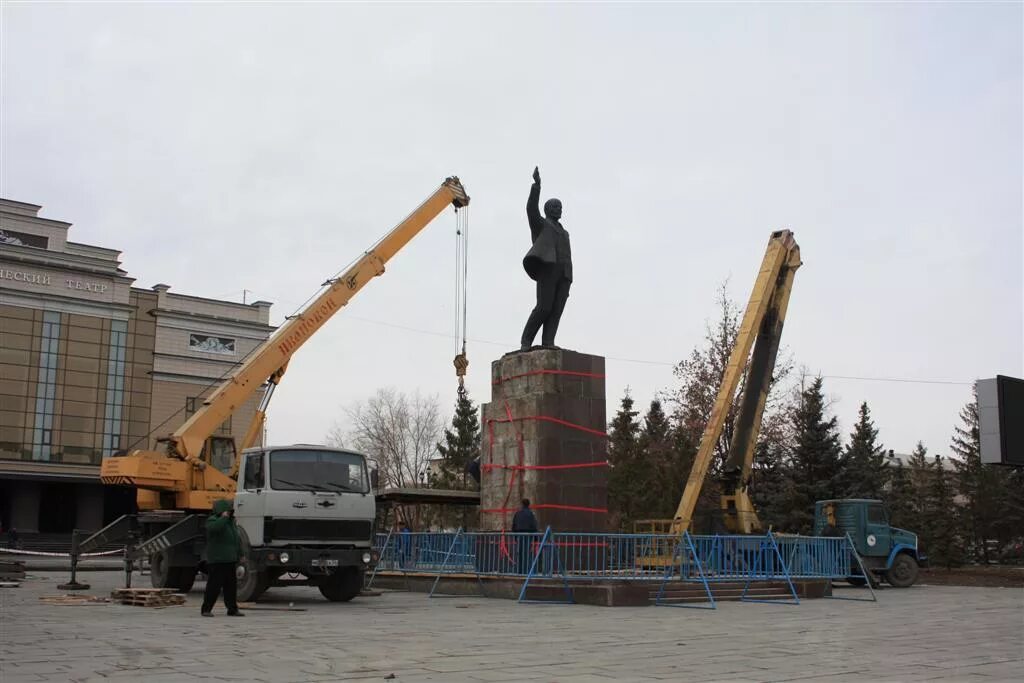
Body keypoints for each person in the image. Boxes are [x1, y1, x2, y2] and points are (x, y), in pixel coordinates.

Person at [520, 166, 573, 351]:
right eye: (554, 206)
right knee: (544, 307)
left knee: (556, 310)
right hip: (548, 270)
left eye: (560, 206)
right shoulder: (541, 225)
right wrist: (536, 187)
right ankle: (526, 341)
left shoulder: (565, 232)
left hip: (564, 273)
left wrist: (569, 275)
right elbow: (531, 210)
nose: (558, 209)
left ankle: (548, 342)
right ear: (547, 209)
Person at [200, 499, 243, 617]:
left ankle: (232, 609)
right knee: (214, 586)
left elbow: (236, 540)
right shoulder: (212, 520)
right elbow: (214, 529)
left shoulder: (231, 523)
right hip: (217, 560)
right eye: (227, 510)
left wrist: (241, 554)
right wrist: (223, 518)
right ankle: (206, 609)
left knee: (231, 587)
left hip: (230, 559)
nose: (230, 513)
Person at [511, 499, 539, 574]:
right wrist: (536, 539)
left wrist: (515, 537)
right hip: (528, 536)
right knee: (527, 554)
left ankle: (519, 571)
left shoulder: (518, 513)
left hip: (519, 536)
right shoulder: (530, 514)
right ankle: (527, 572)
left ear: (522, 504)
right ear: (529, 505)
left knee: (519, 554)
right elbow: (534, 526)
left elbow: (514, 526)